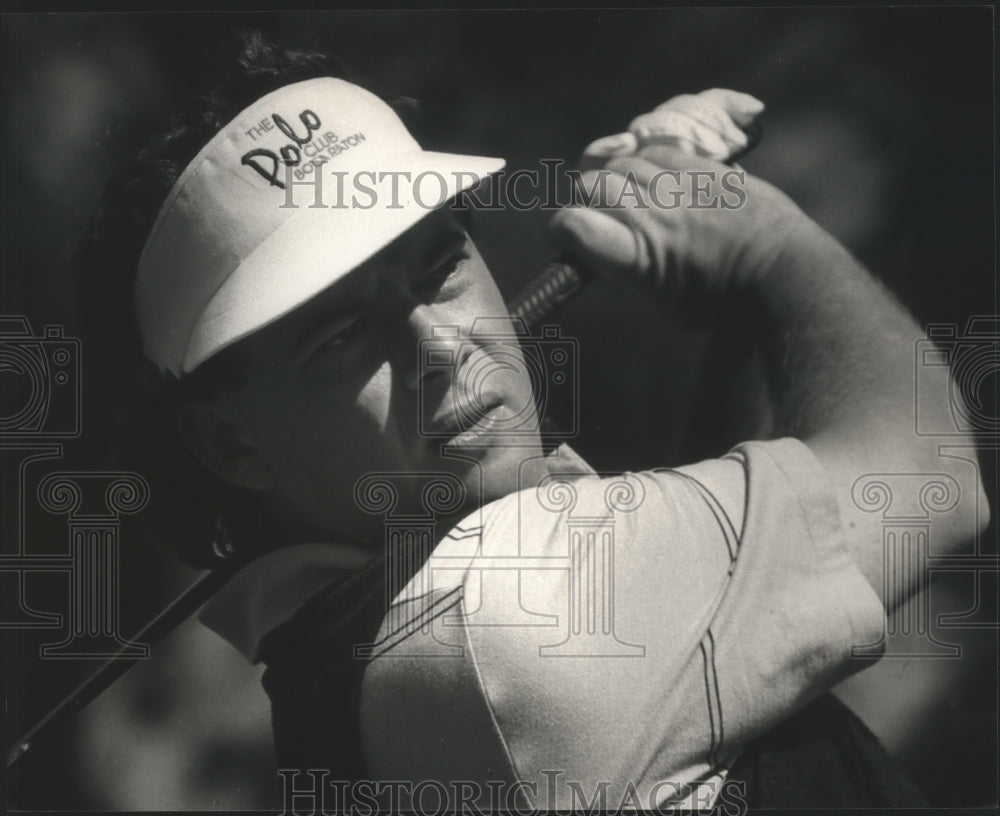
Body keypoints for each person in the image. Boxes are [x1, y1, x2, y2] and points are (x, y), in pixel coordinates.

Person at [75, 31, 988, 812]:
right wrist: (762, 238)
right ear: (231, 441)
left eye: (438, 267)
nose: (439, 344)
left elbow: (706, 683)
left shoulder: (398, 645)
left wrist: (731, 311)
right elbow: (928, 476)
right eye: (343, 336)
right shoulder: (503, 630)